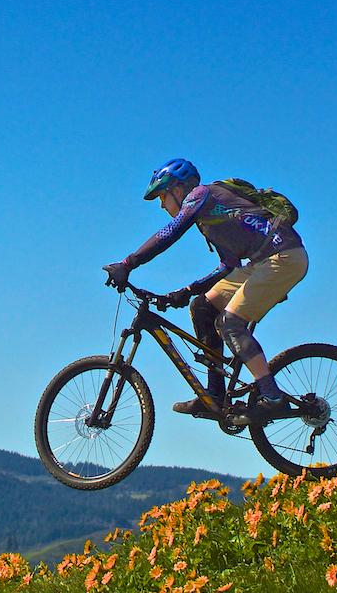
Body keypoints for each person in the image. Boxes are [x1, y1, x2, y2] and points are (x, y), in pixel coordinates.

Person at [103, 158, 308, 417]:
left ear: (178, 189)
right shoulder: (210, 220)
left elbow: (171, 232)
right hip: (262, 261)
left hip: (283, 257)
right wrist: (186, 292)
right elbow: (228, 265)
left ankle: (273, 397)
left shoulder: (202, 195)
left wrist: (128, 263)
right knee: (202, 306)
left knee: (230, 322)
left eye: (162, 196)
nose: (161, 204)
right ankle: (214, 394)